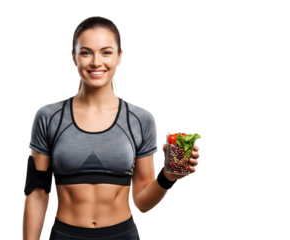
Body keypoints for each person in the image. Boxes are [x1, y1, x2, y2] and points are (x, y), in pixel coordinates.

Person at [23, 14, 201, 240]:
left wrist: (167, 177)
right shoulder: (48, 116)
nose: (96, 62)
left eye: (106, 52)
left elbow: (143, 204)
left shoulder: (141, 118)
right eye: (86, 52)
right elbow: (37, 193)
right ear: (73, 58)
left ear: (120, 57)